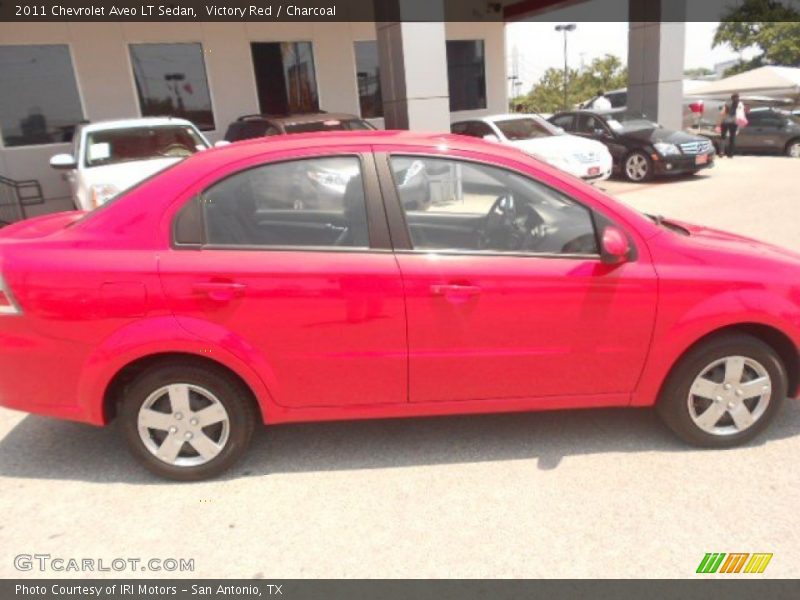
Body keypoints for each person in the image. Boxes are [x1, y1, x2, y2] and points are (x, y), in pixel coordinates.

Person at [718, 93, 747, 158]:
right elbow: (743, 112)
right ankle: (730, 154)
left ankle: (722, 152)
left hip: (726, 122)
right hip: (732, 122)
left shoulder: (728, 103)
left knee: (723, 137)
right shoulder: (740, 104)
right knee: (731, 138)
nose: (737, 99)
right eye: (737, 98)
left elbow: (723, 112)